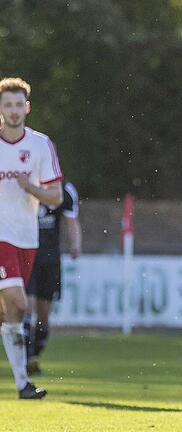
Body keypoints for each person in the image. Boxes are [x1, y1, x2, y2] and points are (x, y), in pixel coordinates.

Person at [0, 77, 63, 399]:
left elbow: (56, 197)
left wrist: (31, 188)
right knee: (21, 302)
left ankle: (23, 384)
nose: (13, 111)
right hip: (1, 238)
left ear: (26, 108)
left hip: (28, 237)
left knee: (13, 313)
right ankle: (23, 382)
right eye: (6, 105)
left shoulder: (40, 145)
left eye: (17, 105)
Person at [24, 180, 82, 376]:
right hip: (27, 255)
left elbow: (71, 221)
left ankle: (35, 354)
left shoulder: (64, 190)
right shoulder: (25, 183)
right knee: (26, 305)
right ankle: (25, 356)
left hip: (50, 261)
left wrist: (75, 244)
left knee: (43, 314)